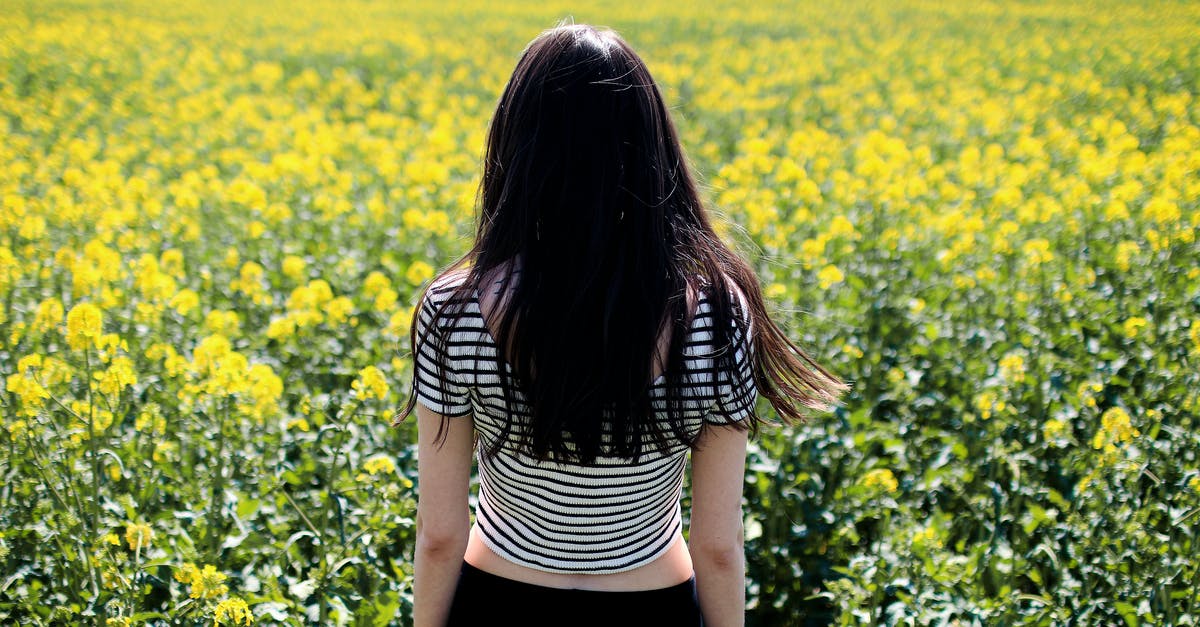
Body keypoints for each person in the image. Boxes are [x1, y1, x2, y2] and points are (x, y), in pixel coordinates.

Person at [391, 22, 848, 627]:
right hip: (652, 603)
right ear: (652, 146)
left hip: (498, 597)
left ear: (516, 146)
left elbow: (440, 535)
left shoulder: (455, 309)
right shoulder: (717, 311)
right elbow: (718, 544)